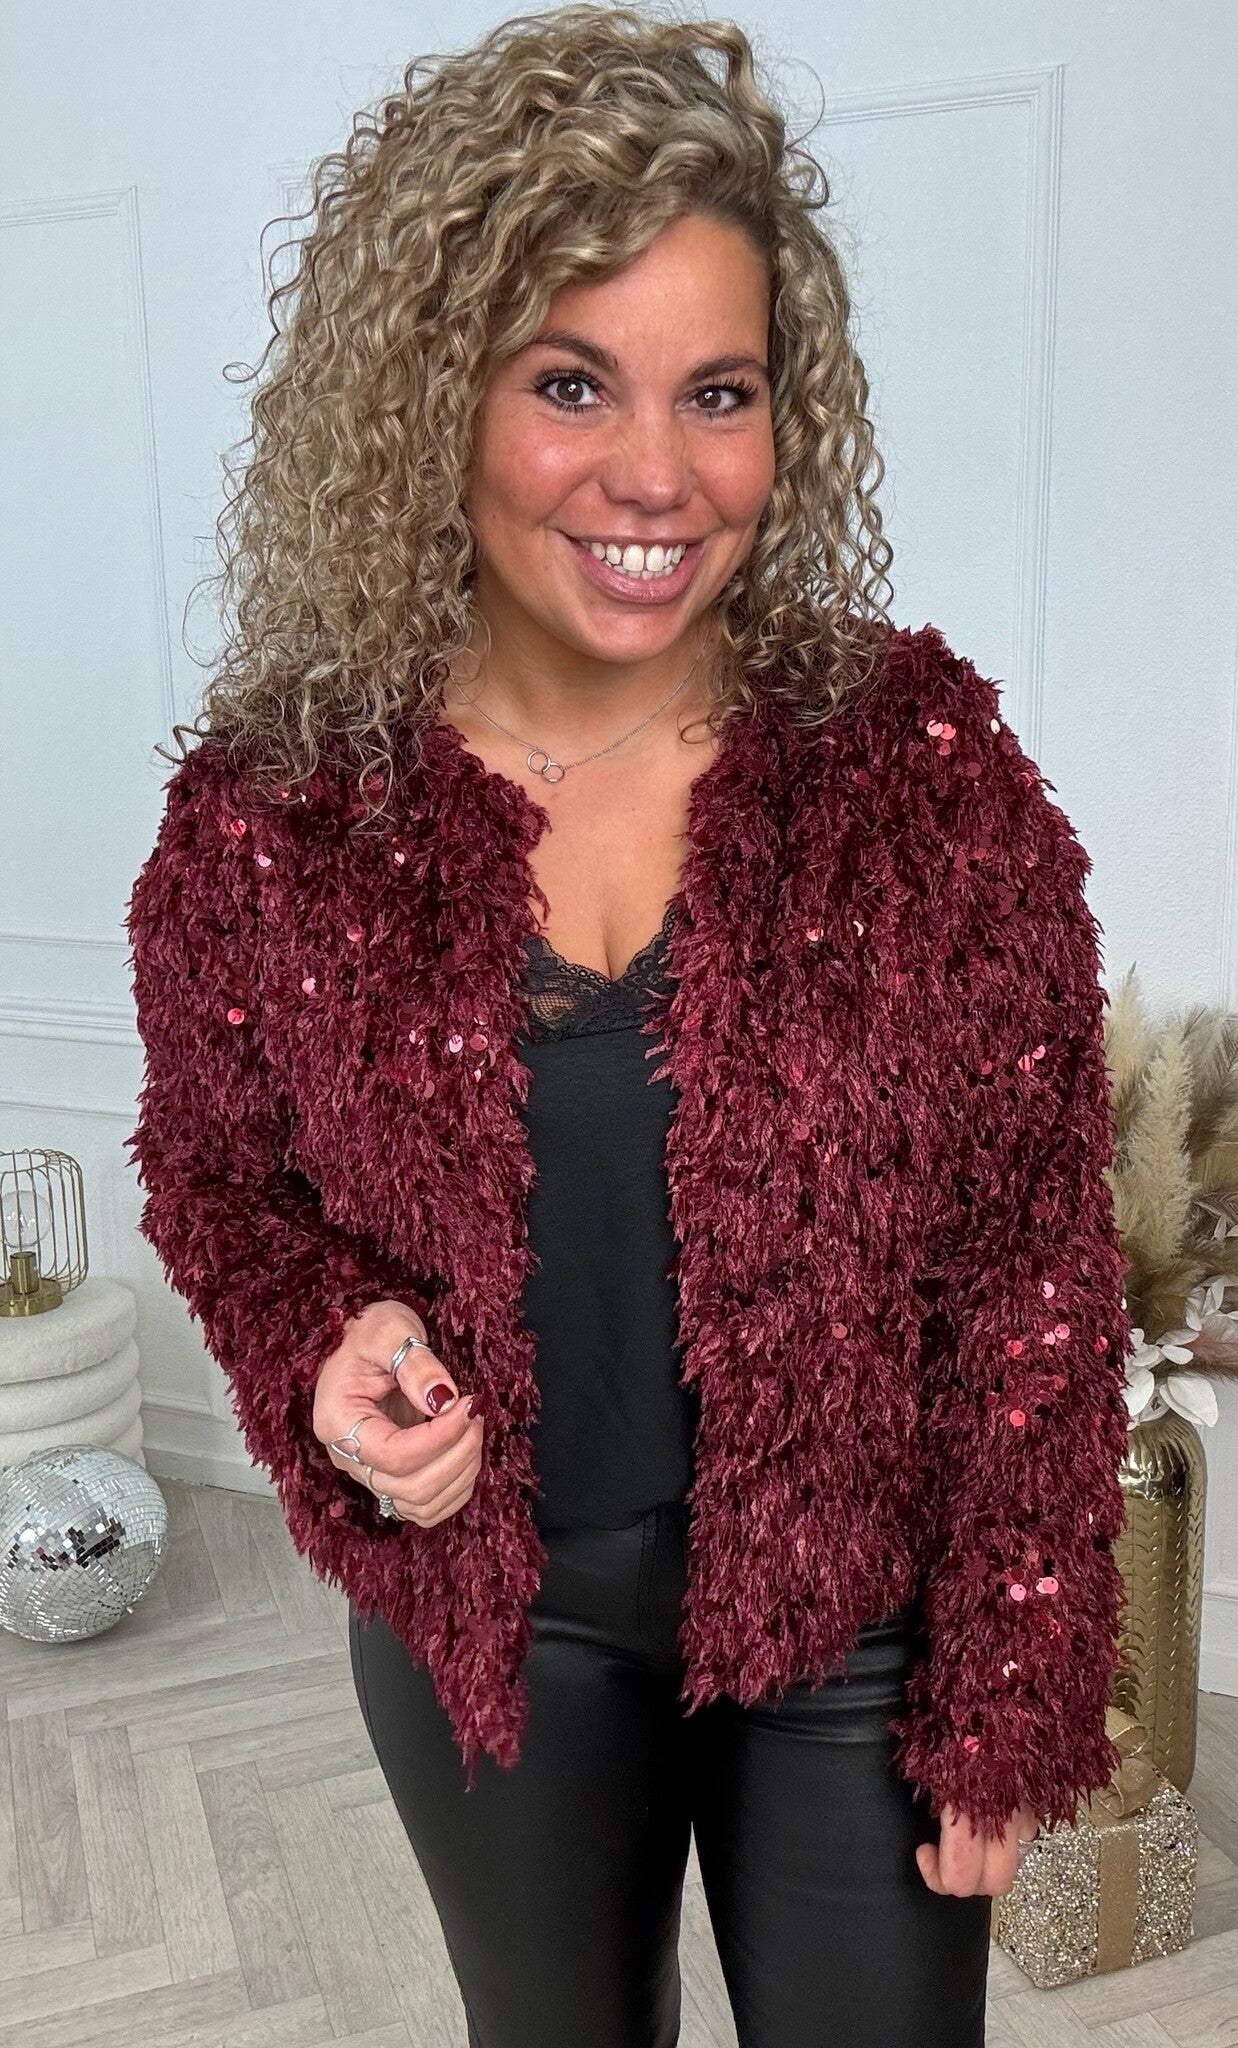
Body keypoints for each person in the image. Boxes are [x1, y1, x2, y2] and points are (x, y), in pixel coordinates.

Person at [124, 9, 1133, 2046]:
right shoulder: (277, 813)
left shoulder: (914, 765)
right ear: (432, 397)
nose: (658, 475)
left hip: (854, 1619)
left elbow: (1035, 1244)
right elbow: (218, 1184)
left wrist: (1013, 1674)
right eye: (570, 382)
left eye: (718, 393)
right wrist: (332, 1351)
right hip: (497, 1625)